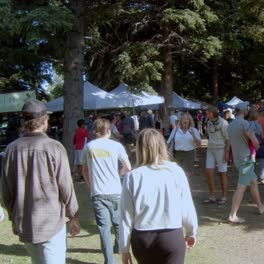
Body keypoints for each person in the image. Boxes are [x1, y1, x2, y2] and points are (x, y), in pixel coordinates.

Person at [1, 99, 80, 263]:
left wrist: (14, 216)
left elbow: (5, 192)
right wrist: (73, 216)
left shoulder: (11, 150)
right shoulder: (54, 147)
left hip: (26, 223)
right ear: (44, 121)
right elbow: (66, 186)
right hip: (50, 224)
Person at [119, 129, 198, 264]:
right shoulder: (176, 172)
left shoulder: (133, 176)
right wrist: (191, 231)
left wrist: (124, 249)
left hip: (144, 238)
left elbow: (126, 216)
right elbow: (187, 206)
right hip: (171, 235)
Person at [82, 118, 131, 264]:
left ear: (95, 131)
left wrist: (89, 185)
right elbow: (128, 167)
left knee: (103, 228)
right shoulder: (116, 146)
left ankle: (109, 261)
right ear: (109, 131)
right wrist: (118, 174)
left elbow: (84, 169)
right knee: (118, 223)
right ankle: (121, 248)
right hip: (115, 191)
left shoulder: (89, 147)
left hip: (98, 193)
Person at [227, 102, 264, 223]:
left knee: (253, 182)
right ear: (245, 111)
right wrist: (257, 146)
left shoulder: (230, 125)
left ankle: (260, 207)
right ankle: (232, 215)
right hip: (246, 159)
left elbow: (229, 143)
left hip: (237, 158)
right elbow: (255, 142)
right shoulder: (245, 124)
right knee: (241, 187)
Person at [204, 106, 230, 205]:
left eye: (208, 113)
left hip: (221, 149)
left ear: (213, 113)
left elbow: (228, 139)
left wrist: (227, 152)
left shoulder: (223, 123)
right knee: (209, 172)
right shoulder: (209, 122)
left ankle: (224, 196)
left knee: (222, 172)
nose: (206, 114)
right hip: (210, 149)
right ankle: (212, 196)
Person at [167, 112, 201, 179]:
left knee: (186, 175)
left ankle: (185, 189)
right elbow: (168, 141)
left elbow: (199, 145)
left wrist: (193, 135)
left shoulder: (194, 130)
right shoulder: (176, 130)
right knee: (177, 175)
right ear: (181, 120)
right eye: (183, 119)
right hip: (177, 155)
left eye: (187, 119)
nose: (185, 120)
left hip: (189, 155)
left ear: (190, 121)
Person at [248, 109, 264, 185]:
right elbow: (262, 135)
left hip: (251, 144)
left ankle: (251, 178)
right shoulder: (259, 125)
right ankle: (262, 178)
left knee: (252, 161)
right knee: (261, 160)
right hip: (260, 143)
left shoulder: (248, 124)